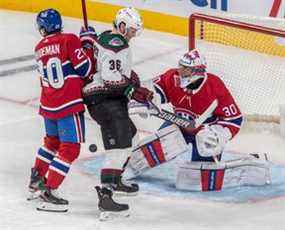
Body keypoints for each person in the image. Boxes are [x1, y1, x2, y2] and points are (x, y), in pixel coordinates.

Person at [127, 49, 271, 191]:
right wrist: (149, 99)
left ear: (197, 72)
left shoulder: (214, 86)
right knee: (163, 142)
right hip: (179, 125)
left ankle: (253, 163)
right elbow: (156, 89)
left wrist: (218, 135)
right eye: (181, 66)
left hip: (205, 132)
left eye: (186, 69)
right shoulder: (172, 77)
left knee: (192, 181)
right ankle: (127, 168)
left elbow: (234, 119)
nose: (180, 71)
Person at [82, 7, 153, 217]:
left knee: (131, 135)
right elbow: (110, 77)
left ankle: (116, 180)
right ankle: (106, 195)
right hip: (105, 99)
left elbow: (110, 68)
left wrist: (129, 76)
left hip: (104, 99)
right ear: (122, 26)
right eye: (131, 30)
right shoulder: (116, 43)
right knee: (120, 149)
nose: (132, 35)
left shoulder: (105, 36)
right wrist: (131, 88)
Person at [28, 8, 96, 212]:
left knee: (52, 143)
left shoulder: (39, 47)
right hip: (68, 103)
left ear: (43, 29)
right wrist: (88, 43)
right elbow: (86, 69)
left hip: (48, 103)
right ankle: (49, 189)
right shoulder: (69, 39)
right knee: (70, 148)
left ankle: (36, 181)